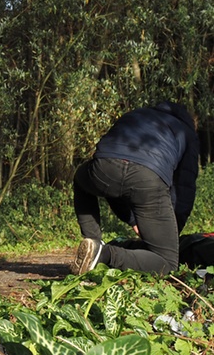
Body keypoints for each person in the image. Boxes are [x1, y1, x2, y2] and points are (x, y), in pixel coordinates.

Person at [70, 101, 199, 275]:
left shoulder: (135, 114)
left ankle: (93, 243)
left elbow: (115, 183)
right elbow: (184, 189)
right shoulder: (185, 131)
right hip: (147, 179)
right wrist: (171, 232)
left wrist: (131, 219)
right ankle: (105, 255)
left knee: (81, 179)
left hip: (104, 167)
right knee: (167, 264)